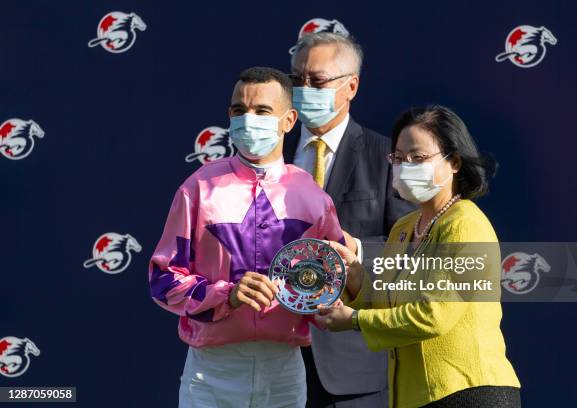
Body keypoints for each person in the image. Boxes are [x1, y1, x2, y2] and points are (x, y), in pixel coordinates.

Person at [148, 66, 346, 408]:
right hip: (213, 372)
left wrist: (327, 300)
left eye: (262, 111)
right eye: (239, 110)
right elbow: (162, 279)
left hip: (283, 372)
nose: (248, 119)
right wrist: (226, 295)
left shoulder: (313, 197)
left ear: (289, 120)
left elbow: (335, 281)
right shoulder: (197, 189)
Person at [315, 105, 522, 407]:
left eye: (418, 158)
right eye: (398, 158)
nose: (405, 166)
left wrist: (355, 320)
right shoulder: (404, 227)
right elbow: (389, 302)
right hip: (413, 396)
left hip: (467, 393)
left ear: (454, 162)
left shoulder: (466, 224)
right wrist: (356, 276)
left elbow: (433, 315)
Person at [283, 31, 413, 408]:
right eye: (296, 79)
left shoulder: (388, 159)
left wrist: (354, 252)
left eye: (317, 81)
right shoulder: (269, 155)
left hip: (353, 368)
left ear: (350, 86)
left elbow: (408, 251)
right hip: (273, 358)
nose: (304, 89)